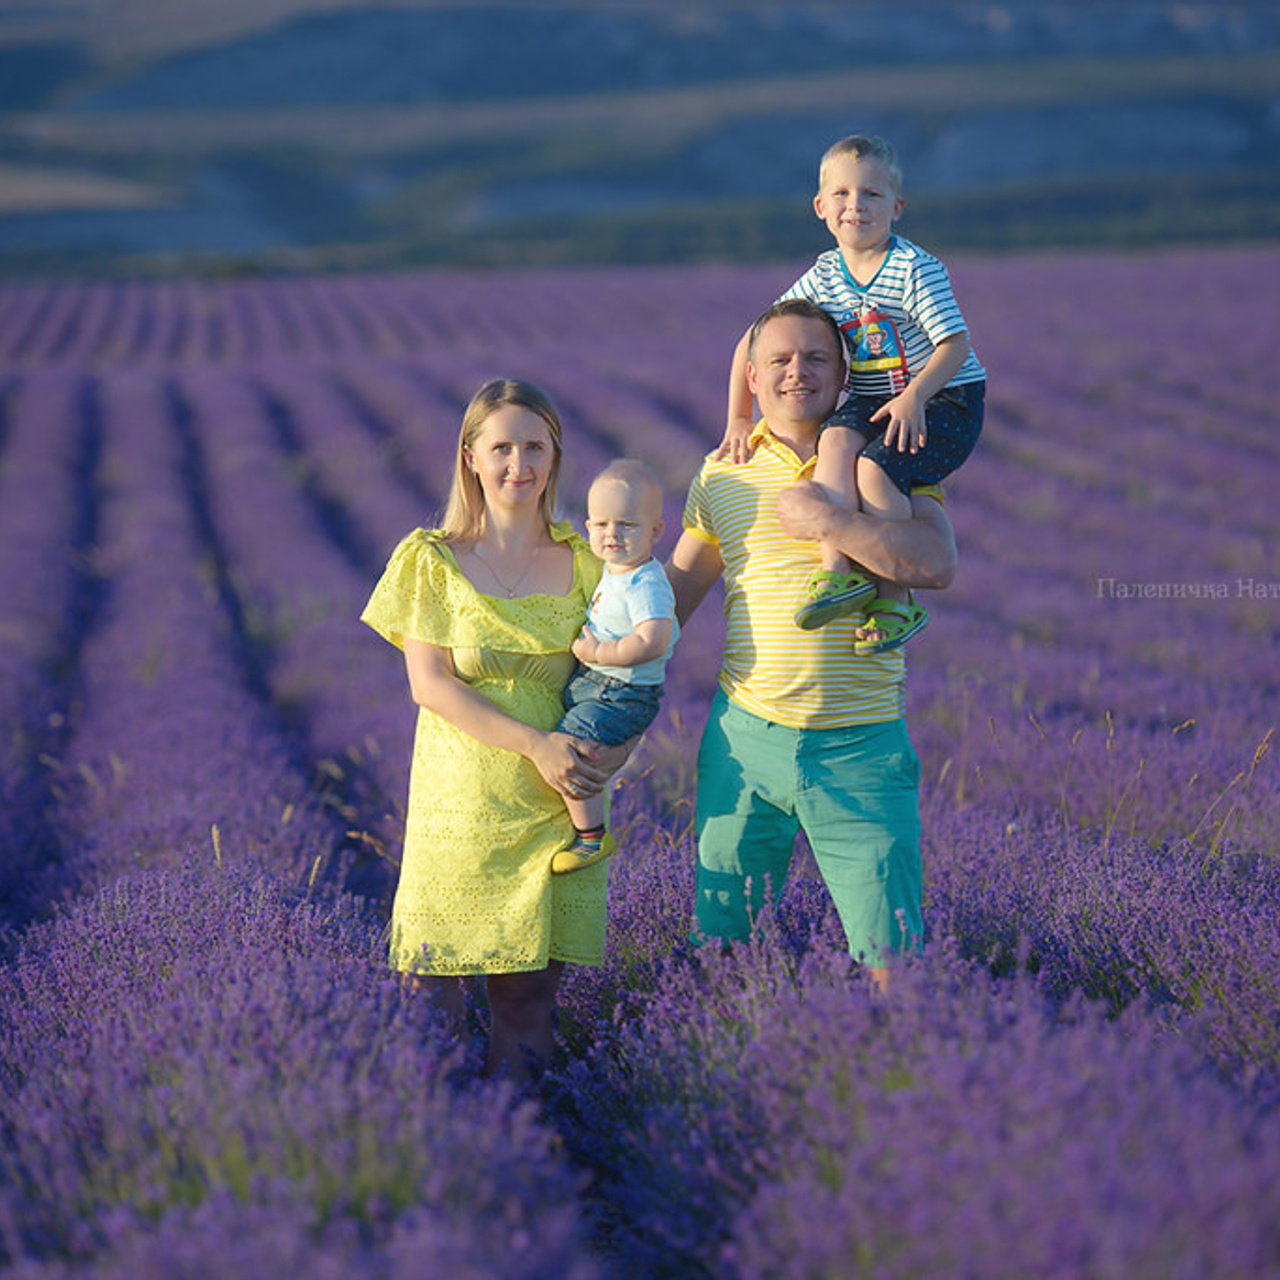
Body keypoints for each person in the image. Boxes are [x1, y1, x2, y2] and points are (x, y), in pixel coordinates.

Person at [667, 299, 958, 992]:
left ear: (843, 373)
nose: (797, 371)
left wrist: (828, 520)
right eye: (779, 360)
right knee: (724, 946)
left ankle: (899, 1061)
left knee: (893, 959)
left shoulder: (889, 456)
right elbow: (674, 597)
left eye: (816, 358)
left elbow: (935, 563)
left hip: (861, 744)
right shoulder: (722, 471)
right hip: (744, 743)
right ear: (753, 377)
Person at [360, 377, 627, 1083]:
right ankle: (438, 1133)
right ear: (470, 457)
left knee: (527, 998)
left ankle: (525, 1135)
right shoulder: (430, 560)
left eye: (535, 447)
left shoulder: (589, 563)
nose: (519, 464)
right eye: (502, 447)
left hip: (555, 805)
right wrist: (536, 744)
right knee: (431, 995)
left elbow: (624, 676)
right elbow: (430, 684)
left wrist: (606, 755)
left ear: (555, 456)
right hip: (461, 804)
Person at [720, 134, 984, 649]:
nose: (855, 205)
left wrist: (915, 397)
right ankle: (837, 571)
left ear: (897, 207)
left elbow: (955, 344)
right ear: (820, 207)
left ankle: (895, 601)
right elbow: (753, 339)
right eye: (841, 194)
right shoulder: (825, 275)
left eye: (871, 194)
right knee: (835, 443)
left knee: (874, 468)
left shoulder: (914, 269)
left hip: (944, 396)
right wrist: (737, 416)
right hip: (875, 395)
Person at [552, 459, 679, 874]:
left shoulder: (645, 582)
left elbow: (652, 640)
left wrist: (598, 653)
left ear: (655, 532)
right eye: (602, 524)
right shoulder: (617, 571)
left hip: (621, 692)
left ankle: (591, 837)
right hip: (600, 684)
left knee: (572, 752)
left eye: (626, 525)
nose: (612, 534)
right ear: (588, 527)